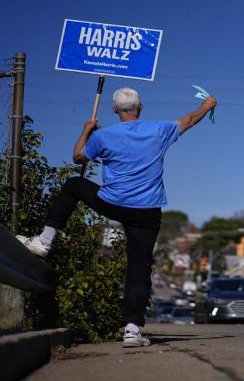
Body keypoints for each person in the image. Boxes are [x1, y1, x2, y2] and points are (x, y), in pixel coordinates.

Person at [17, 87, 216, 347]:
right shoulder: (158, 130)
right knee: (139, 267)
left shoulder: (104, 136)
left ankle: (45, 240)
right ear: (140, 107)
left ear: (114, 110)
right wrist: (207, 105)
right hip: (147, 211)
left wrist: (87, 130)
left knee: (74, 185)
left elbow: (78, 156)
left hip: (113, 203)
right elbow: (189, 120)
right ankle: (132, 330)